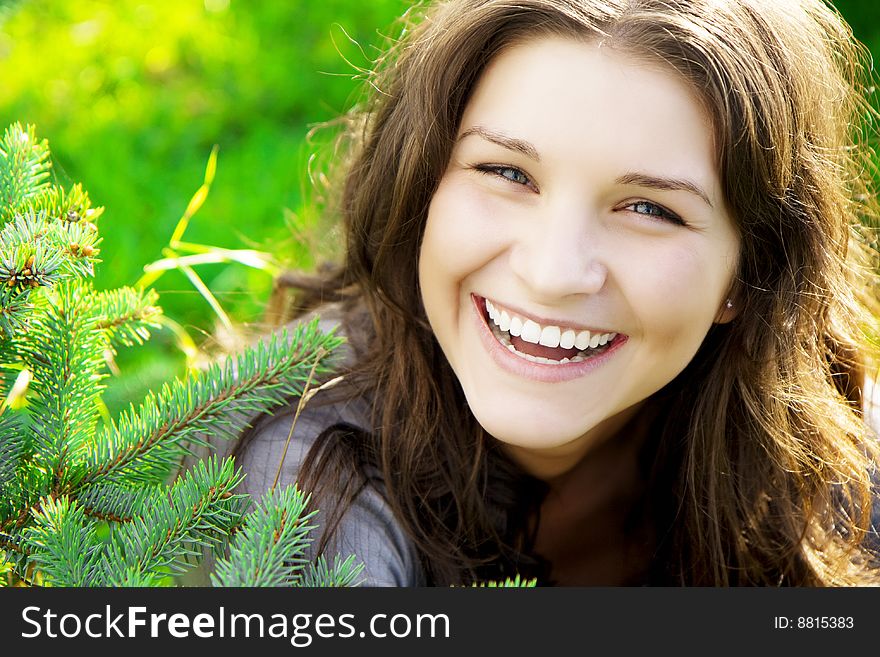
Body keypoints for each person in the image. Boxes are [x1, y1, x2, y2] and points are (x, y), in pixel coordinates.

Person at [225, 0, 880, 586]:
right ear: (421, 186)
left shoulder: (837, 451)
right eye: (507, 171)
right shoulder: (300, 456)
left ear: (748, 273)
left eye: (649, 209)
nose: (552, 272)